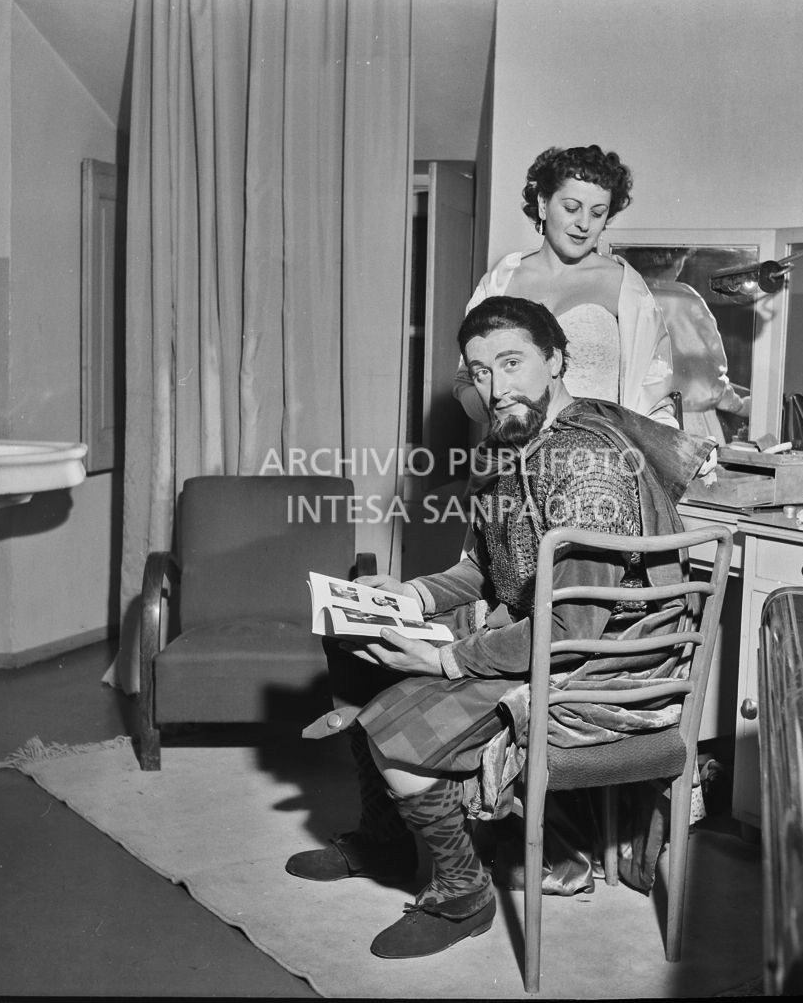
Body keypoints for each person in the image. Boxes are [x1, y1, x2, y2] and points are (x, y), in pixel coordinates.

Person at [285, 296, 713, 960]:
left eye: (511, 363)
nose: (495, 387)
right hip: (537, 629)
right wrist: (411, 592)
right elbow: (489, 571)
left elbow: (574, 625)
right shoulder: (516, 445)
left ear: (556, 359)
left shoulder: (584, 461)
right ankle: (389, 836)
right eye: (481, 371)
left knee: (398, 732)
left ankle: (462, 891)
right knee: (354, 640)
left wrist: (449, 660)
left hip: (598, 671)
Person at [453, 145, 678, 427]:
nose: (584, 223)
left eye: (597, 213)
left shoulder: (624, 284)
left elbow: (654, 393)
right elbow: (466, 381)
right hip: (512, 457)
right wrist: (501, 408)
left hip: (598, 459)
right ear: (544, 204)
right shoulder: (502, 279)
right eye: (571, 208)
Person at [632, 248, 750, 443]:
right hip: (689, 418)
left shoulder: (630, 294)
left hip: (638, 417)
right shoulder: (686, 298)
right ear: (678, 262)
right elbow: (708, 367)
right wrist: (736, 404)